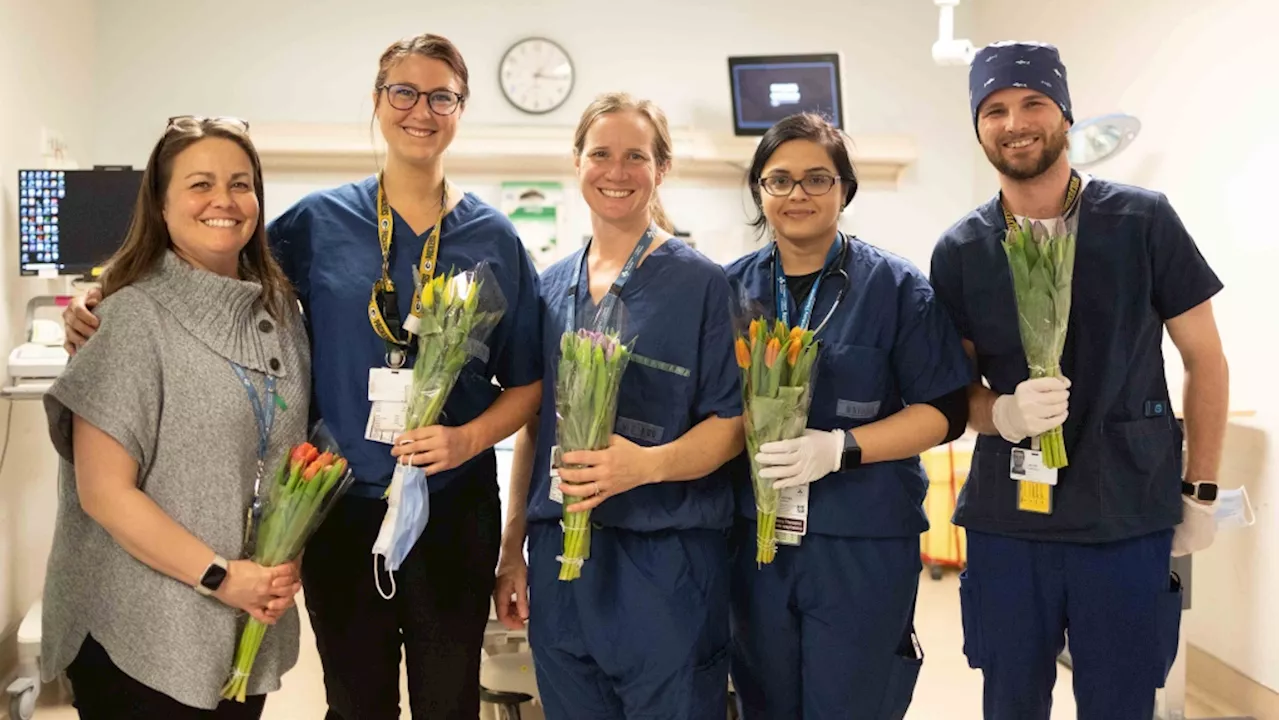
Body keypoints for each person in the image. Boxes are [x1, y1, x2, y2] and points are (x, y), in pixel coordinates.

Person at [61, 33, 544, 720]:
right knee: (354, 699)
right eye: (403, 92)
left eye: (442, 96)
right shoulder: (319, 223)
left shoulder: (494, 238)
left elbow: (527, 385)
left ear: (461, 109)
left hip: (451, 508)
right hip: (340, 505)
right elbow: (214, 261)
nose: (421, 110)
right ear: (379, 102)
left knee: (449, 699)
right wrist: (99, 295)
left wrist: (467, 441)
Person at [928, 41, 1230, 720]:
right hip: (1012, 525)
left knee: (1122, 704)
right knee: (1010, 703)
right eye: (995, 108)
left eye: (1034, 102)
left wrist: (1200, 491)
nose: (1015, 121)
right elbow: (955, 395)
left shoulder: (1142, 222)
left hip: (1126, 515)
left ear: (1065, 113)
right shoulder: (961, 250)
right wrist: (1000, 413)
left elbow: (1205, 359)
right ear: (978, 126)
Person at [42, 116, 307, 718]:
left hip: (242, 625)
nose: (224, 200)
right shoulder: (131, 317)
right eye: (200, 184)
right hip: (139, 630)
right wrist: (220, 577)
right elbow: (104, 493)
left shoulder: (283, 316)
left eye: (241, 183)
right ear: (161, 206)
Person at [492, 92, 743, 720]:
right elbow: (533, 430)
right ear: (576, 162)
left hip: (665, 561)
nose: (617, 171)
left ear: (661, 168)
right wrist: (511, 548)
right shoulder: (548, 288)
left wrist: (644, 466)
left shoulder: (701, 284)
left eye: (637, 156)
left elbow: (731, 425)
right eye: (600, 153)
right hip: (561, 562)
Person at [721, 112, 972, 720]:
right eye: (779, 180)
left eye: (816, 179)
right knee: (766, 701)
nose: (797, 194)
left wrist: (840, 447)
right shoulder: (726, 291)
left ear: (844, 190)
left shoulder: (897, 289)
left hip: (862, 542)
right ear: (759, 191)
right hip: (756, 544)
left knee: (852, 702)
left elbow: (944, 412)